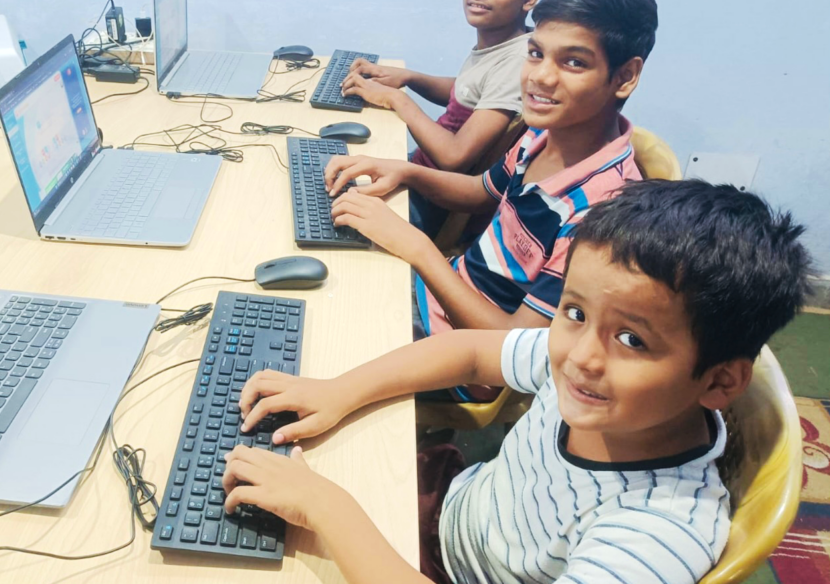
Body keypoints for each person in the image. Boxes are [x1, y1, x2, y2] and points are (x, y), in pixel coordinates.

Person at [221, 179, 813, 584]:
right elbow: (476, 351)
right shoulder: (597, 382)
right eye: (574, 311)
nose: (580, 356)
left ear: (718, 383)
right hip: (456, 506)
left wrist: (330, 509)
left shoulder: (657, 532)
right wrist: (336, 391)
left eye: (632, 340)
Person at [327, 0, 657, 352]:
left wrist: (417, 249)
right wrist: (405, 171)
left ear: (625, 76)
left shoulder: (600, 218)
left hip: (463, 351)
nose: (541, 78)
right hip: (441, 291)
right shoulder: (543, 133)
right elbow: (478, 191)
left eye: (574, 63)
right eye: (535, 54)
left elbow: (514, 345)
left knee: (327, 328)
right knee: (327, 269)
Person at [339, 0, 550, 238]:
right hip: (417, 172)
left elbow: (453, 158)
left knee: (329, 209)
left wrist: (396, 99)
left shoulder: (517, 61)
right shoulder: (500, 43)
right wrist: (411, 78)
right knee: (329, 170)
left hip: (429, 199)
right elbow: (468, 92)